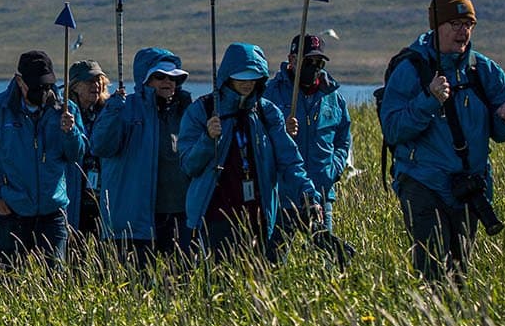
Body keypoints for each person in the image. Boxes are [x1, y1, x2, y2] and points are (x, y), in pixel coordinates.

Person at [378, 0, 505, 283]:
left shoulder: (486, 72)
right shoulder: (410, 70)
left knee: (459, 273)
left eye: (468, 24)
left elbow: (501, 133)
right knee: (432, 271)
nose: (463, 31)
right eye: (454, 24)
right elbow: (393, 129)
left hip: (469, 187)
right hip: (421, 181)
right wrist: (429, 100)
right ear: (436, 26)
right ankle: (430, 322)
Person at [179, 42, 317, 263]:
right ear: (227, 76)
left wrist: (308, 194)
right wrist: (208, 139)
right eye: (241, 76)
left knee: (260, 284)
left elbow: (290, 160)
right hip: (216, 217)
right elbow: (189, 165)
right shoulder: (202, 111)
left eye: (252, 76)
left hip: (260, 217)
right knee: (220, 286)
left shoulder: (267, 112)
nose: (247, 83)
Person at [0, 50, 85, 271]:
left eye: (47, 86)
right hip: (10, 212)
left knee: (55, 281)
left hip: (53, 212)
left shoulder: (66, 110)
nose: (43, 92)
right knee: (8, 281)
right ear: (19, 80)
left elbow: (77, 155)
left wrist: (70, 132)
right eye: (36, 87)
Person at [88, 47, 196, 269]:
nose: (168, 82)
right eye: (160, 77)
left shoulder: (186, 111)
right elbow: (100, 146)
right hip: (135, 219)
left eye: (174, 77)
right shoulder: (124, 108)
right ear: (145, 80)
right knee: (136, 287)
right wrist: (112, 111)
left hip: (179, 214)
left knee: (182, 283)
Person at [265, 33, 353, 260]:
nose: (314, 67)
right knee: (273, 263)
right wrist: (281, 131)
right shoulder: (270, 93)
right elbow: (259, 138)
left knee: (327, 262)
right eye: (308, 61)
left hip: (321, 195)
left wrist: (333, 168)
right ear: (292, 60)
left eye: (319, 63)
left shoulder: (333, 97)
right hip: (283, 196)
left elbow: (344, 137)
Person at [65, 59, 111, 258]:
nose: (96, 85)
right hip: (74, 195)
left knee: (104, 256)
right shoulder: (63, 113)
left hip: (103, 196)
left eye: (99, 80)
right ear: (74, 85)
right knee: (74, 254)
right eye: (89, 81)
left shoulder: (110, 111)